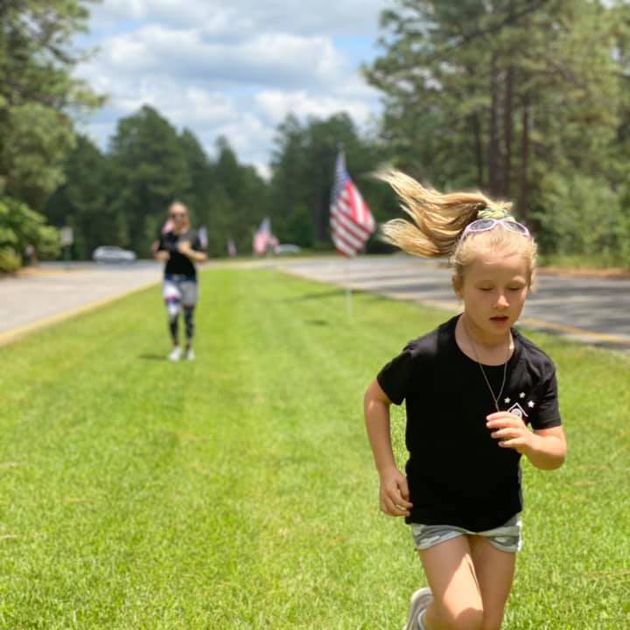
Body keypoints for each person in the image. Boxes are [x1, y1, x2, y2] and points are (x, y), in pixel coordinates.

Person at [363, 171, 567, 630]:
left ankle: (426, 616)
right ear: (459, 287)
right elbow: (376, 398)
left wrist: (531, 443)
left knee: (485, 626)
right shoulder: (428, 355)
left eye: (514, 288)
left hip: (498, 513)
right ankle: (427, 615)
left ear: (528, 285)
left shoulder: (537, 367)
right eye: (485, 289)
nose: (501, 301)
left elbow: (556, 452)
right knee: (467, 617)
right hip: (437, 508)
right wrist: (387, 470)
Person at [153, 202, 207, 361]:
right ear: (170, 218)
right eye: (174, 215)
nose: (178, 218)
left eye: (181, 215)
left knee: (188, 316)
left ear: (186, 217)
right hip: (171, 279)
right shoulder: (166, 236)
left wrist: (188, 251)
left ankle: (189, 347)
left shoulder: (193, 235)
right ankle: (175, 347)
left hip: (189, 280)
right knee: (172, 313)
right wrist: (160, 256)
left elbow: (203, 258)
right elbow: (158, 254)